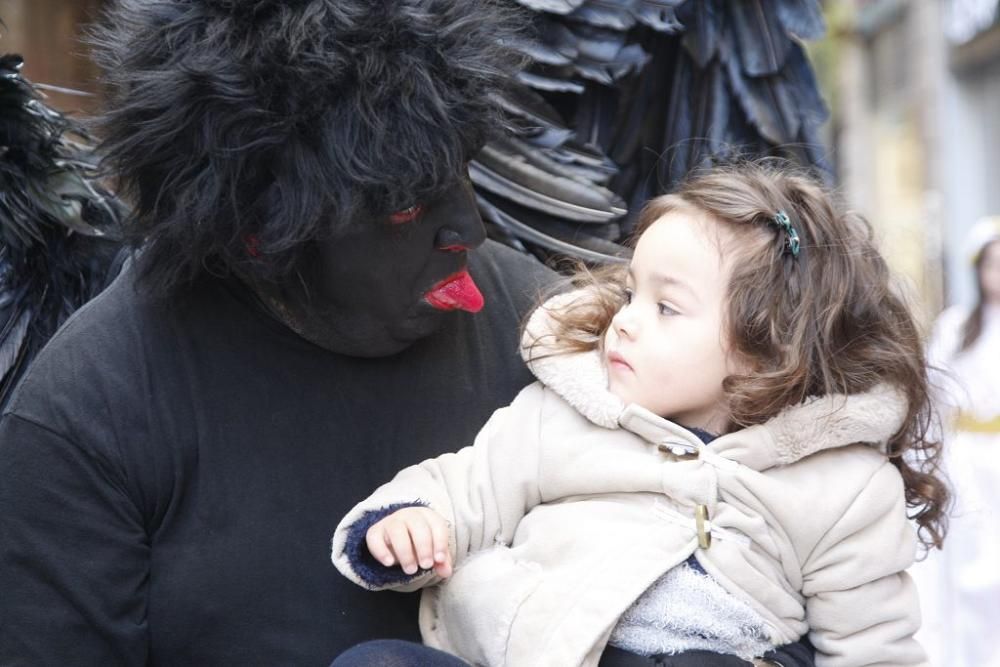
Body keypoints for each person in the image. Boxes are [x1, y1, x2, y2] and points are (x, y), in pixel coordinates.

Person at [0, 1, 812, 665]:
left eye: (459, 167)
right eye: (403, 205)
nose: (468, 225)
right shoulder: (87, 416)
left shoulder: (559, 339)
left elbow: (763, 557)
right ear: (264, 233)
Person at [331, 162, 948, 667]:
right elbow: (469, 485)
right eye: (631, 293)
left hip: (696, 654)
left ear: (767, 353)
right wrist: (414, 520)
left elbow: (874, 646)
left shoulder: (841, 485)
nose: (624, 319)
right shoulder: (569, 411)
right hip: (525, 644)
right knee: (376, 664)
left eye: (666, 308)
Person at [912, 216, 1000, 667]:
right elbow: (936, 397)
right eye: (992, 266)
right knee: (971, 564)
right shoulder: (956, 327)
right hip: (968, 460)